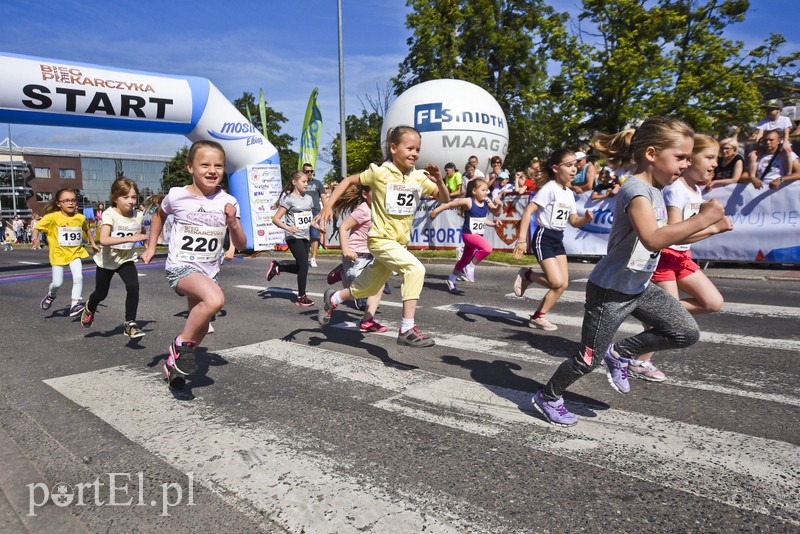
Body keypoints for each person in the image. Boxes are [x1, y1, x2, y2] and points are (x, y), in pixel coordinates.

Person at [532, 117, 731, 426]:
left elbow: (669, 236)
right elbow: (652, 238)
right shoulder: (636, 190)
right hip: (610, 291)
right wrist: (705, 219)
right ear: (651, 154)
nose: (686, 164)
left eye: (689, 158)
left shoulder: (657, 190)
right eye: (680, 157)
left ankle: (620, 353)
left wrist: (713, 228)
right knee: (588, 360)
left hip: (639, 286)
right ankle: (548, 396)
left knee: (684, 332)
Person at [315, 125, 450, 347]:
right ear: (394, 148)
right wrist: (328, 205)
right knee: (415, 269)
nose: (414, 153)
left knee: (367, 288)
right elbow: (348, 181)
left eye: (417, 149)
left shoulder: (419, 177)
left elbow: (444, 198)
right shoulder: (380, 173)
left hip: (399, 244)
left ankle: (334, 298)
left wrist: (440, 181)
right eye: (410, 148)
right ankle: (407, 329)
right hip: (380, 240)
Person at [140, 140, 246, 386]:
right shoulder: (177, 195)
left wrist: (233, 222)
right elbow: (158, 217)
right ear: (190, 167)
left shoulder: (228, 201)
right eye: (205, 165)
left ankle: (174, 365)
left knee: (202, 326)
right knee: (215, 299)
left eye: (218, 165)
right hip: (181, 267)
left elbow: (241, 243)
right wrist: (151, 246)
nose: (212, 170)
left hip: (209, 270)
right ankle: (180, 345)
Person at [629, 134, 727, 382]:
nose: (715, 163)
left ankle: (648, 312)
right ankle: (639, 362)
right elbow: (673, 233)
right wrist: (714, 228)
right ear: (690, 159)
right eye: (710, 157)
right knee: (670, 319)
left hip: (682, 257)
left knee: (712, 302)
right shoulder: (675, 190)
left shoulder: (695, 189)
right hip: (666, 256)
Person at [513, 148, 594, 331]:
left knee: (563, 284)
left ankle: (538, 317)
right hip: (544, 237)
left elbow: (574, 221)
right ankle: (527, 275)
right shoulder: (550, 188)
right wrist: (521, 240)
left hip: (558, 238)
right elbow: (529, 210)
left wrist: (586, 219)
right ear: (556, 168)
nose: (574, 169)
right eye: (569, 165)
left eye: (575, 165)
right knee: (556, 282)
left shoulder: (569, 193)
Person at [81, 177, 148, 338]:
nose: (131, 201)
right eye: (125, 197)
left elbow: (142, 231)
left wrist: (147, 247)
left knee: (133, 286)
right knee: (101, 294)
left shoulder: (138, 215)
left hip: (126, 259)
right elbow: (104, 240)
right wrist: (131, 238)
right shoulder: (109, 214)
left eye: (134, 197)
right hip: (107, 261)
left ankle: (130, 323)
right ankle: (90, 307)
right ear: (115, 198)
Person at [32, 188, 99, 316]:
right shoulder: (52, 217)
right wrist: (35, 238)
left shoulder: (80, 217)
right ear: (59, 203)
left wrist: (93, 244)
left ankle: (74, 304)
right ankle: (51, 295)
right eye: (66, 200)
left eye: (73, 200)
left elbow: (87, 229)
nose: (70, 203)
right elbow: (37, 228)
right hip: (58, 254)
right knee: (57, 283)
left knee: (78, 277)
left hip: (75, 252)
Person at [331, 182, 388, 331]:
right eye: (375, 191)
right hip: (356, 255)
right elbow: (343, 227)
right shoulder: (363, 210)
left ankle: (367, 320)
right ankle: (342, 273)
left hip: (373, 253)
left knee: (378, 285)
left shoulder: (380, 208)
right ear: (364, 194)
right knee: (356, 292)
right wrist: (346, 250)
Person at [430, 178, 502, 291]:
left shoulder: (487, 201)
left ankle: (451, 278)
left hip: (478, 236)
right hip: (469, 236)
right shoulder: (468, 201)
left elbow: (494, 214)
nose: (486, 192)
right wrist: (435, 211)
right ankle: (470, 267)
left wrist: (498, 209)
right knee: (487, 248)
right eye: (483, 190)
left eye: (487, 190)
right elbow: (450, 204)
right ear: (474, 191)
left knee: (464, 259)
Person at [265, 170, 316, 307]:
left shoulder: (309, 199)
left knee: (302, 267)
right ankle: (301, 297)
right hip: (293, 237)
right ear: (294, 182)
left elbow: (309, 219)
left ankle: (278, 267)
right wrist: (288, 228)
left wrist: (316, 225)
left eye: (307, 182)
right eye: (303, 182)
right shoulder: (289, 199)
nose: (306, 184)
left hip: (305, 236)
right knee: (304, 265)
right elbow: (276, 219)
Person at [301, 163, 325, 268]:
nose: (309, 173)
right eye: (307, 171)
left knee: (314, 236)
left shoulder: (317, 183)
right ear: (303, 172)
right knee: (304, 236)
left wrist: (326, 210)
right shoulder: (300, 183)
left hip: (315, 212)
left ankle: (313, 258)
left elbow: (323, 197)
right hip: (303, 212)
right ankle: (304, 258)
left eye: (311, 171)